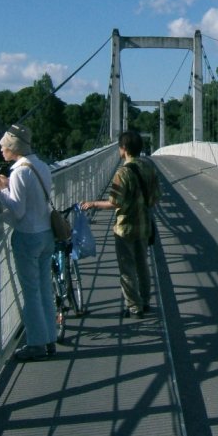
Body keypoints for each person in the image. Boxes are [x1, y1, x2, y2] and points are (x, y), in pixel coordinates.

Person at [0, 124, 57, 361]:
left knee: (31, 292)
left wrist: (0, 192)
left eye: (3, 146)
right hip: (46, 233)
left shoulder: (19, 171)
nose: (1, 149)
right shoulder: (41, 166)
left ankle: (37, 344)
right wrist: (9, 188)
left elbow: (18, 211)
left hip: (28, 237)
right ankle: (50, 338)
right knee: (44, 289)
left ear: (13, 147)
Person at [81, 131, 160, 318]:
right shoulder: (149, 168)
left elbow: (115, 202)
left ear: (123, 149)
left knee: (127, 269)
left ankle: (134, 307)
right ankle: (146, 301)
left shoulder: (122, 173)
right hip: (144, 225)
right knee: (143, 265)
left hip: (125, 227)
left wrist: (93, 204)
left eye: (119, 147)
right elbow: (156, 198)